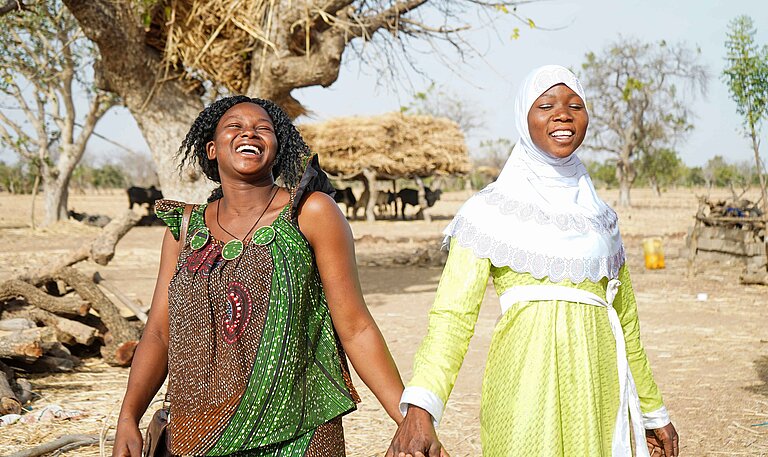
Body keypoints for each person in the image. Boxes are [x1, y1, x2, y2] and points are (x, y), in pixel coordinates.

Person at [386, 65, 680, 457]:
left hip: (597, 389)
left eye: (575, 105)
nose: (563, 114)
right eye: (546, 105)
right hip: (524, 387)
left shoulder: (602, 219)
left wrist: (652, 412)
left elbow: (627, 325)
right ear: (524, 118)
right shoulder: (488, 212)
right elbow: (451, 319)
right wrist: (421, 407)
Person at [112, 96, 405, 456]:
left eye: (263, 128)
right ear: (212, 149)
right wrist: (129, 415)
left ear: (277, 148)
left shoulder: (310, 213)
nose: (249, 132)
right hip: (198, 432)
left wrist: (408, 419)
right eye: (234, 126)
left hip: (298, 430)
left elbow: (356, 327)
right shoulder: (185, 230)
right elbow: (158, 333)